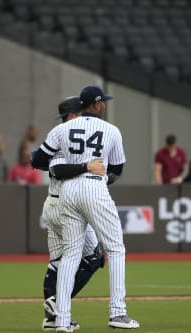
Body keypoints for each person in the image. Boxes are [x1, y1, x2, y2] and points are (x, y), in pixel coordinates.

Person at [32, 85, 139, 331]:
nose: (105, 106)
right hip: (94, 188)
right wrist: (100, 173)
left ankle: (61, 319)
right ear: (98, 104)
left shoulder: (62, 128)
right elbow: (118, 169)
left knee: (70, 255)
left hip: (67, 192)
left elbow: (38, 159)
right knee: (116, 247)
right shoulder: (111, 130)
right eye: (104, 103)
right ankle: (117, 312)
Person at [37, 96, 106, 331]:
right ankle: (58, 303)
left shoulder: (70, 134)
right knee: (93, 258)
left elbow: (38, 159)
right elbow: (56, 168)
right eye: (80, 112)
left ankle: (51, 318)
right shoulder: (63, 133)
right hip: (64, 207)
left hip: (57, 204)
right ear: (74, 115)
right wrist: (88, 167)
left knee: (58, 262)